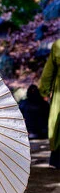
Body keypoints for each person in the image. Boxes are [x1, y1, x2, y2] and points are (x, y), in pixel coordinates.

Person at [39, 39, 60, 169]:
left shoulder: (58, 45)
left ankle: (57, 159)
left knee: (57, 125)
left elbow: (48, 72)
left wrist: (45, 91)